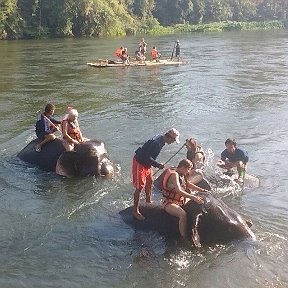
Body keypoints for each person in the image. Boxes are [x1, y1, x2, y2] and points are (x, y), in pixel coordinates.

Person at [132, 128, 180, 220]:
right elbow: (145, 156)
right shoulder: (156, 143)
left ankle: (148, 201)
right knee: (139, 187)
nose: (173, 142)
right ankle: (135, 211)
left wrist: (154, 163)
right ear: (169, 137)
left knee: (150, 181)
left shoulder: (161, 140)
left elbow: (149, 155)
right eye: (173, 140)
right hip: (140, 162)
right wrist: (157, 164)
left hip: (147, 163)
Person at [161, 159, 204, 241]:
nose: (188, 171)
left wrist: (201, 190)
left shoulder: (181, 174)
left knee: (197, 201)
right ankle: (183, 237)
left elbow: (188, 184)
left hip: (180, 200)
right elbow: (178, 190)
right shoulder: (174, 175)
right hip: (169, 202)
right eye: (188, 169)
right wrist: (193, 197)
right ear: (183, 167)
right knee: (183, 215)